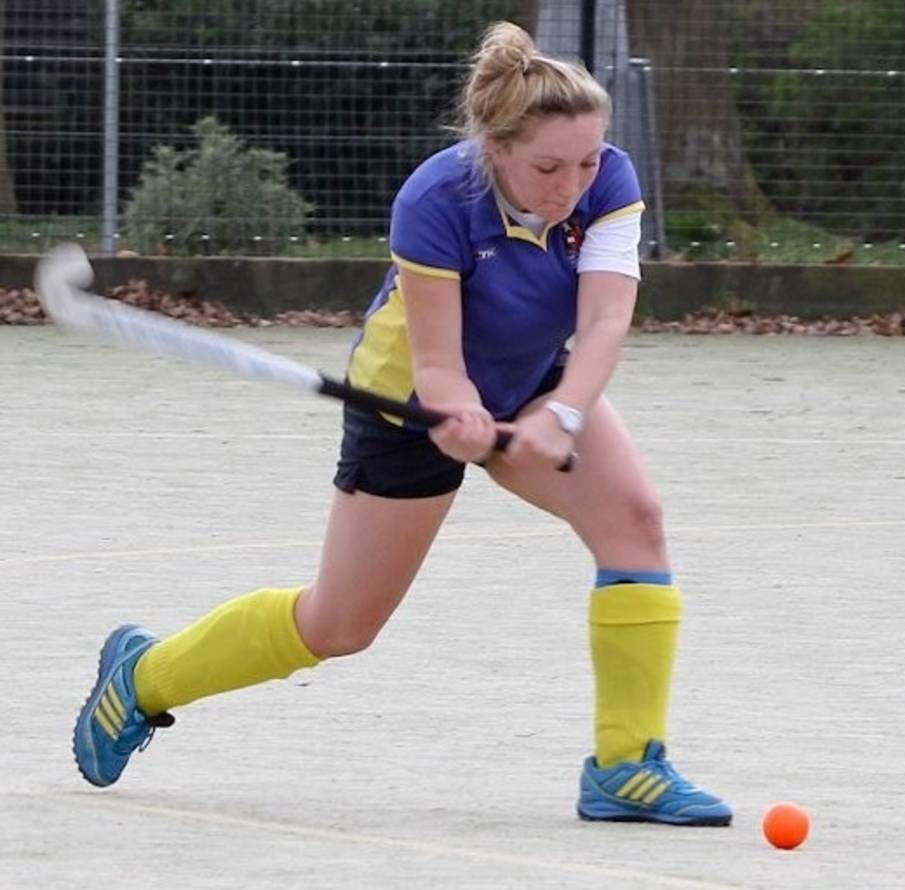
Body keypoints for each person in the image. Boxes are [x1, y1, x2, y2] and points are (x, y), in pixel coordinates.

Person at [72, 21, 731, 827]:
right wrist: (454, 416)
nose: (572, 185)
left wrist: (561, 415)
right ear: (496, 150)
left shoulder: (609, 185)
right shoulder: (437, 199)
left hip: (535, 380)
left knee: (636, 523)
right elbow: (437, 363)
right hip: (406, 403)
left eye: (587, 161)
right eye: (549, 167)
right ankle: (142, 681)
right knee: (338, 626)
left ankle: (627, 768)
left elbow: (601, 326)